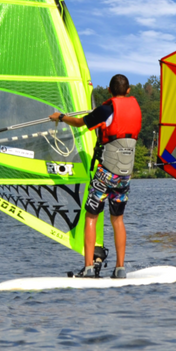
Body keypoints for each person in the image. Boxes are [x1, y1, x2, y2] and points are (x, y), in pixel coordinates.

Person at [50, 74, 141, 279]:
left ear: (109, 90)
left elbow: (80, 122)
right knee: (118, 219)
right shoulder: (136, 108)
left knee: (91, 215)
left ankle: (89, 267)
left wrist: (61, 117)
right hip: (125, 175)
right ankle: (120, 269)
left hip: (106, 172)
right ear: (128, 91)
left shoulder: (106, 109)